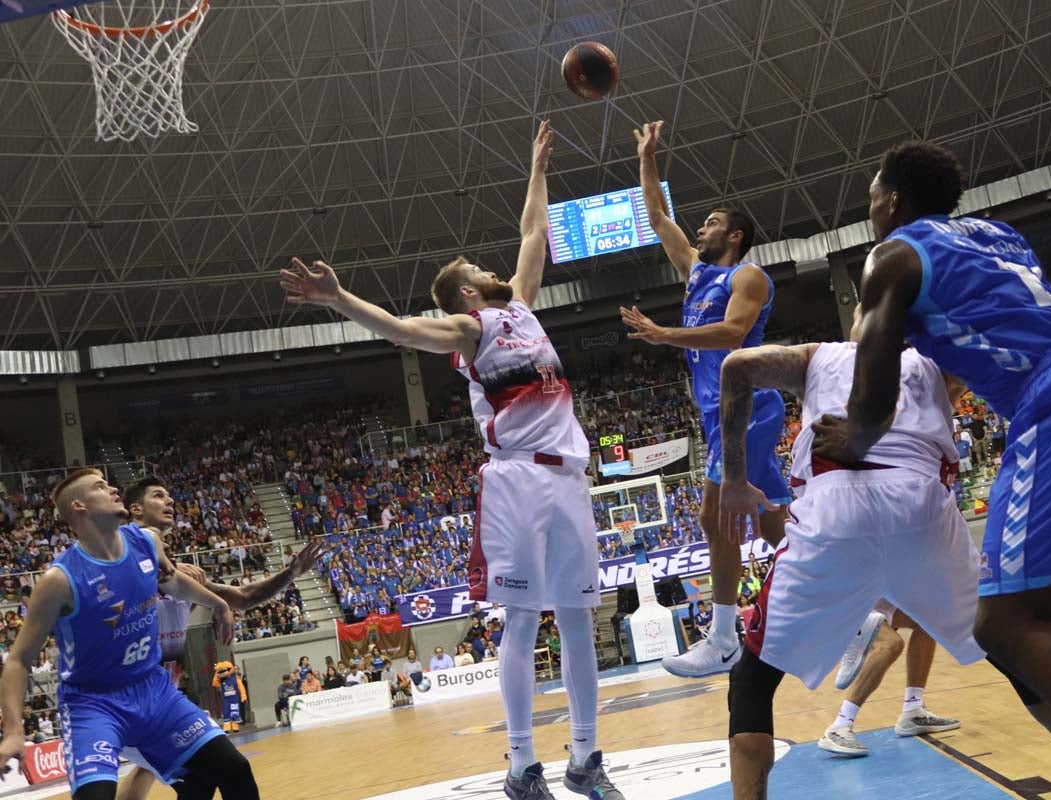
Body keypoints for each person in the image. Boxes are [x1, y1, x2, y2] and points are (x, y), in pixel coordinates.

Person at [814, 141, 1051, 799]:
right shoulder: (997, 234)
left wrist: (854, 439)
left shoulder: (891, 254)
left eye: (872, 196)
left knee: (1006, 623)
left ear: (892, 201)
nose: (870, 208)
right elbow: (992, 330)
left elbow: (870, 393)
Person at [281, 120, 623, 800]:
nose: (490, 270)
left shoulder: (521, 307)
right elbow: (404, 330)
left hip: (568, 477)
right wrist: (340, 298)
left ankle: (585, 759)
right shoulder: (470, 329)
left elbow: (532, 234)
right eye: (476, 272)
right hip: (518, 482)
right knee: (524, 621)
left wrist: (537, 166)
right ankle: (522, 767)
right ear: (467, 295)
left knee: (581, 617)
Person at [719, 335, 1051, 800]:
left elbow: (736, 365)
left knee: (753, 677)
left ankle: (863, 634)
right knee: (1013, 649)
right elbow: (1025, 369)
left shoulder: (817, 357)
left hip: (835, 516)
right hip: (921, 511)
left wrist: (734, 480)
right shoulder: (937, 361)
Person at [621, 120, 789, 679]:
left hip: (749, 405)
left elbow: (735, 334)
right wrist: (647, 158)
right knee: (771, 526)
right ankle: (852, 605)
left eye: (713, 221)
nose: (701, 226)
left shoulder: (748, 276)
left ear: (735, 235)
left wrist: (665, 334)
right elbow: (657, 216)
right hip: (718, 411)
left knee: (715, 517)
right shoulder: (695, 273)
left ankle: (722, 639)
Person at [0, 469, 260, 800]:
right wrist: (12, 731)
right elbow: (19, 659)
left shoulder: (148, 542)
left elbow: (172, 581)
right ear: (79, 506)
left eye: (109, 483)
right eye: (100, 487)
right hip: (93, 702)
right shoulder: (59, 581)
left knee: (234, 768)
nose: (112, 489)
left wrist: (218, 603)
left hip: (153, 689)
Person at [116, 476, 325, 800]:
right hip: (132, 703)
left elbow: (243, 596)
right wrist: (174, 571)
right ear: (135, 509)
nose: (169, 501)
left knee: (192, 781)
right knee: (228, 768)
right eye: (158, 496)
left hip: (160, 701)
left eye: (170, 495)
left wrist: (291, 574)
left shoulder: (179, 577)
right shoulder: (130, 554)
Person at [819, 606, 960, 757]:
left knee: (929, 622)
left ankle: (913, 710)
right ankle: (839, 726)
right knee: (889, 644)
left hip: (875, 599)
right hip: (847, 601)